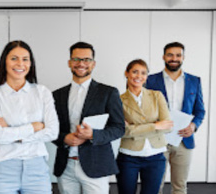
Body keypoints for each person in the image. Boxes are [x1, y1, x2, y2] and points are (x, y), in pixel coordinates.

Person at [0, 40, 59, 194]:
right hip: (4, 170)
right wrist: (34, 127)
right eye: (14, 58)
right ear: (4, 61)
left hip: (37, 169)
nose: (20, 64)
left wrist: (14, 134)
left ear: (31, 63)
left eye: (25, 59)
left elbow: (53, 132)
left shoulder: (42, 92)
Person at [52, 41, 125, 194]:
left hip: (96, 166)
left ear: (93, 64)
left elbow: (119, 128)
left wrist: (93, 135)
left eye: (86, 59)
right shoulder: (57, 95)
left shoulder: (108, 92)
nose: (81, 64)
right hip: (65, 167)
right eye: (76, 59)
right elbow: (51, 129)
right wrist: (65, 138)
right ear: (70, 63)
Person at [146, 42, 205, 194]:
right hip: (157, 139)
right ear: (163, 57)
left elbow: (200, 110)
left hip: (184, 140)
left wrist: (193, 126)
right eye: (170, 55)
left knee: (180, 187)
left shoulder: (194, 81)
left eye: (178, 55)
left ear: (183, 57)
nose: (174, 58)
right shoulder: (150, 80)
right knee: (154, 186)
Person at [117, 59, 173, 194]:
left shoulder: (156, 96)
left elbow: (167, 126)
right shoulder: (118, 100)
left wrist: (135, 129)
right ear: (127, 73)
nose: (139, 76)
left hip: (156, 156)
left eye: (143, 73)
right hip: (128, 156)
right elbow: (122, 130)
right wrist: (155, 126)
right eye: (135, 72)